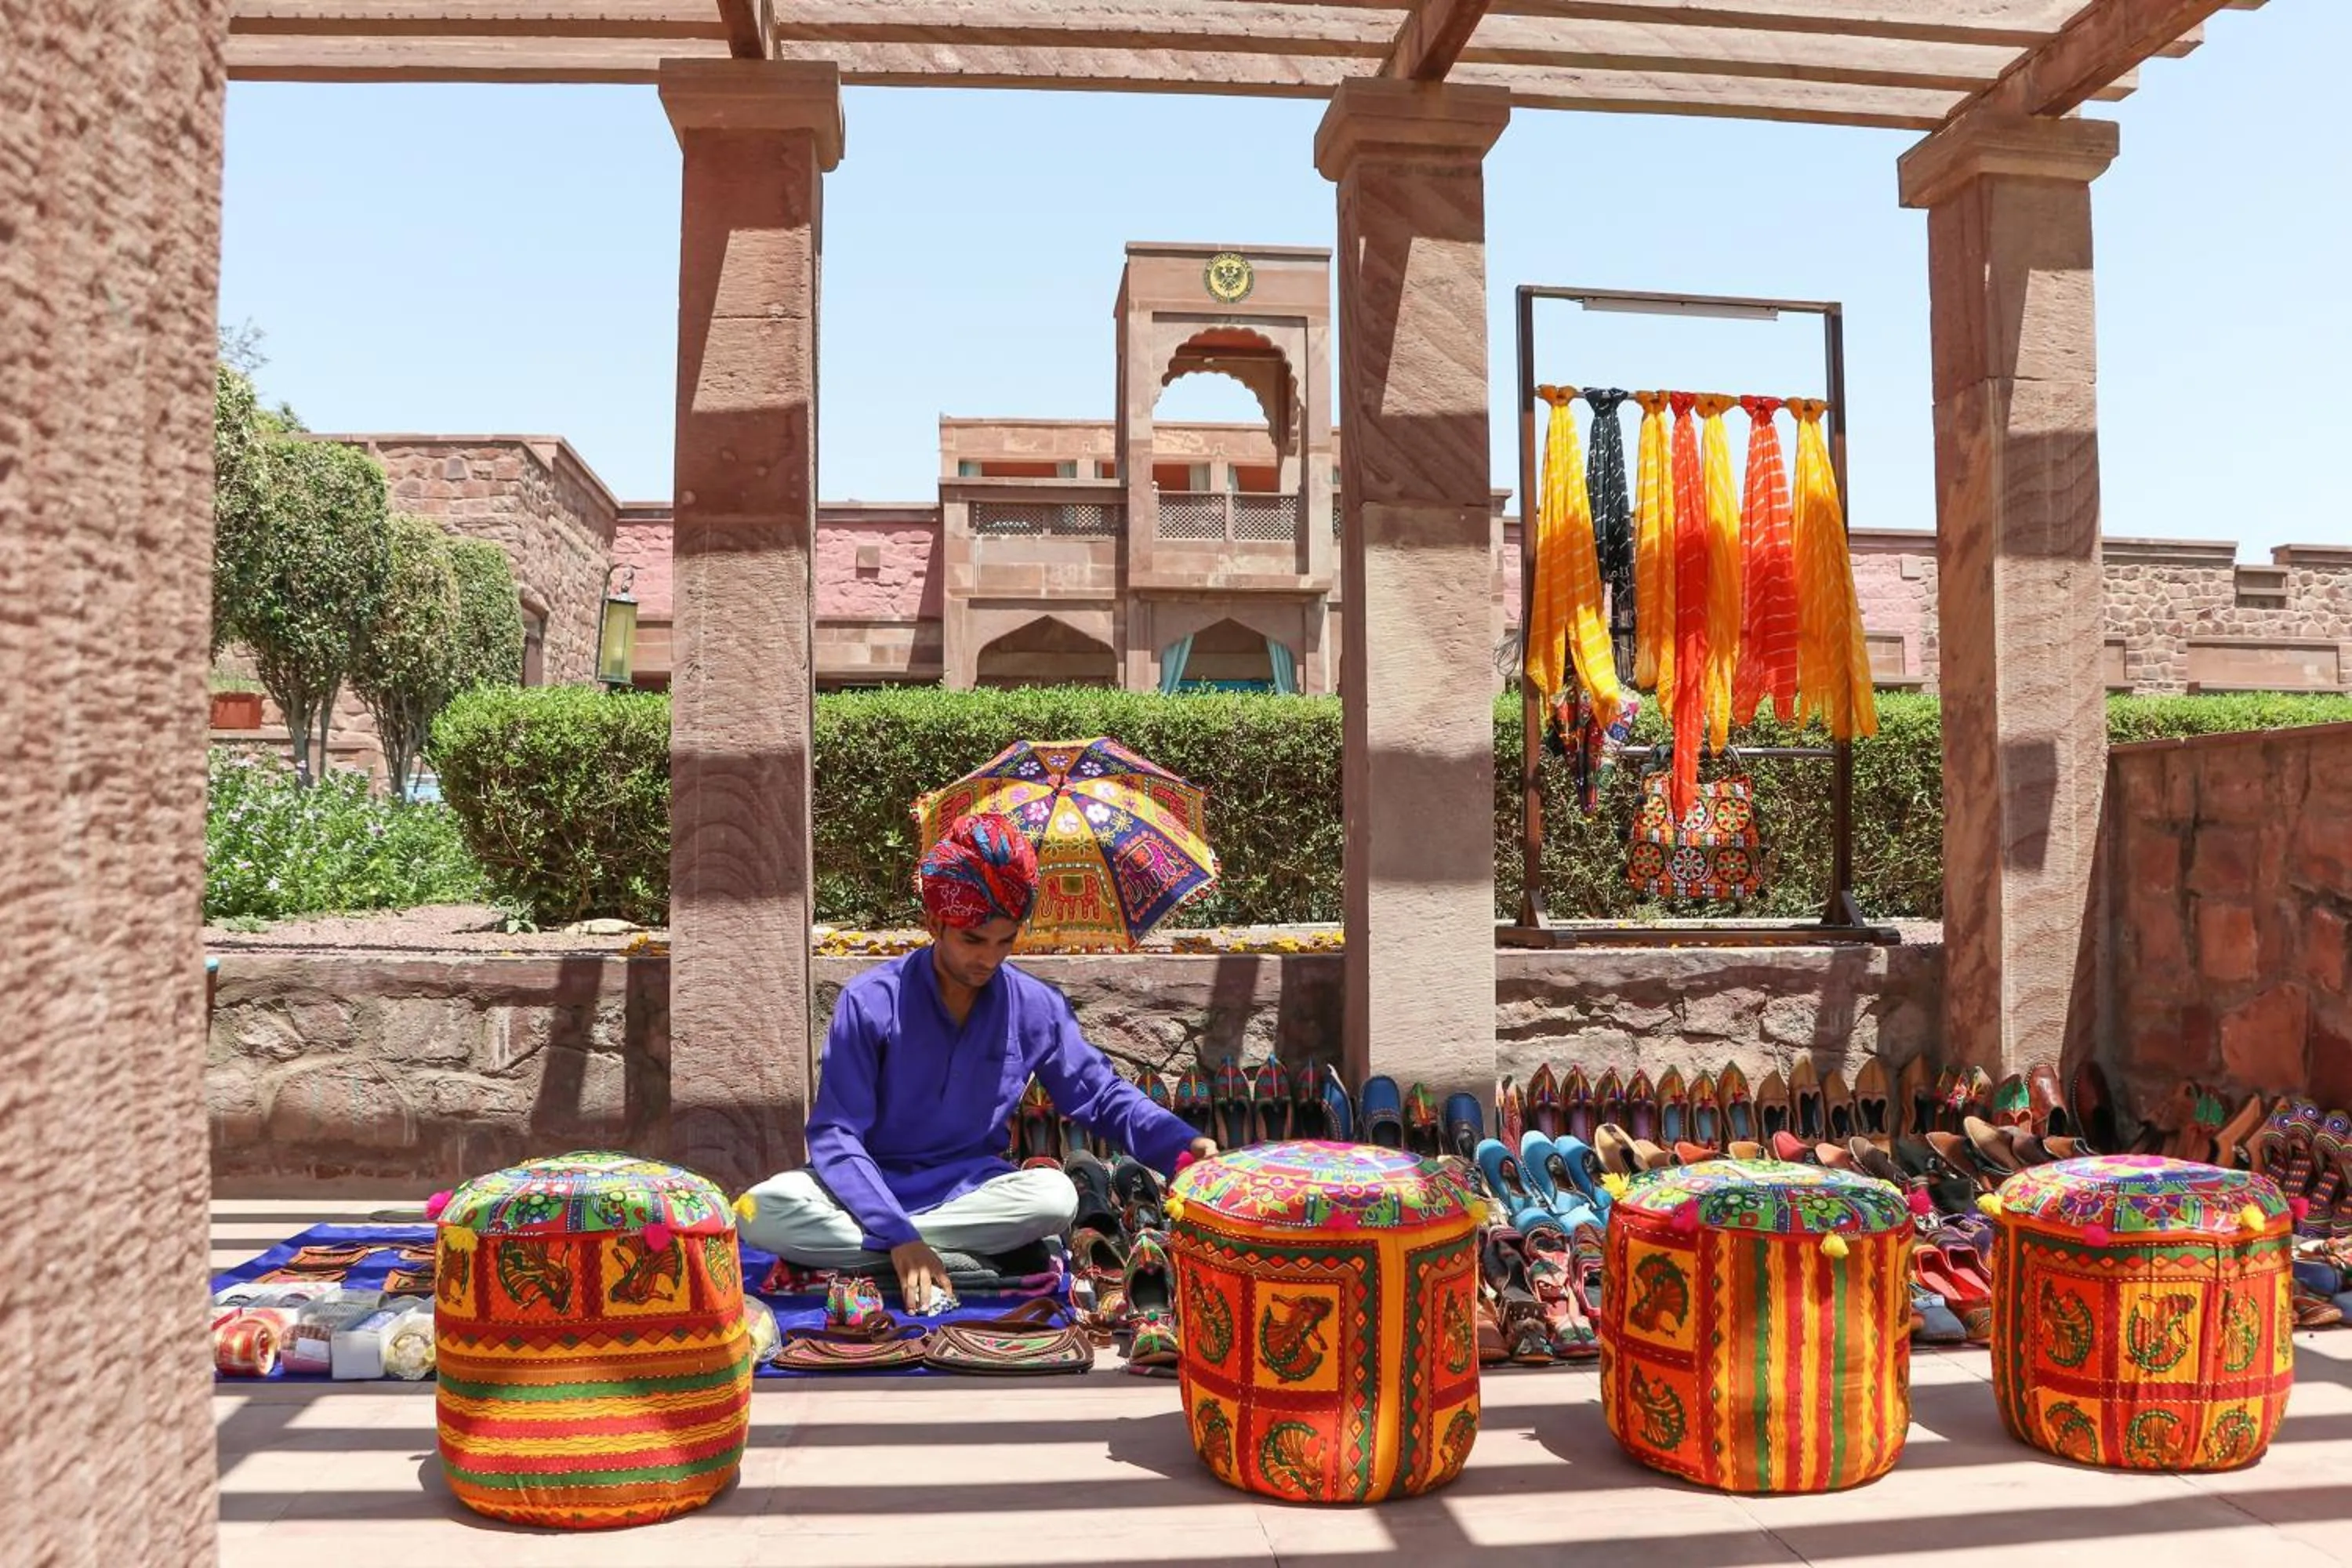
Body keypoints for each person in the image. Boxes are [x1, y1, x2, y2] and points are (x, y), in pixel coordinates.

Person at [737, 811, 1217, 1308]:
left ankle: (890, 1257)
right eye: (972, 940)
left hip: (967, 1191)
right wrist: (898, 1233)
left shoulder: (1035, 1006)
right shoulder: (868, 1001)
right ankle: (927, 1254)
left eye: (1004, 941)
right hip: (865, 1188)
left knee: (1055, 1197)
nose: (988, 958)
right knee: (759, 1210)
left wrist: (1185, 1148)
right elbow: (835, 1134)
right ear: (934, 924)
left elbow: (1100, 1095)